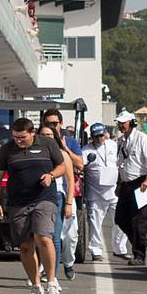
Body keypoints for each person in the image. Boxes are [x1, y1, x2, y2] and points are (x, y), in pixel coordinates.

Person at [0, 117, 67, 294]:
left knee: (44, 237)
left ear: (32, 133)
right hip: (18, 202)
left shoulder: (47, 143)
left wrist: (51, 175)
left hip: (44, 199)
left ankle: (51, 282)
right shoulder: (7, 149)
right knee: (25, 246)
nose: (18, 140)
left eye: (22, 137)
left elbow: (62, 166)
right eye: (15, 137)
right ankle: (36, 284)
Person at [42, 110, 83, 280]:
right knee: (51, 235)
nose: (52, 126)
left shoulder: (70, 142)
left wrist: (65, 148)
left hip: (67, 193)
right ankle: (49, 270)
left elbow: (80, 165)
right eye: (48, 123)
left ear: (60, 124)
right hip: (47, 195)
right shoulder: (40, 143)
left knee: (71, 236)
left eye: (54, 123)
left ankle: (68, 263)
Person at [114, 111, 147, 266]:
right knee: (120, 218)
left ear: (131, 123)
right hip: (125, 184)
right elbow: (120, 164)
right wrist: (119, 184)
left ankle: (139, 255)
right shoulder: (121, 141)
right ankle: (141, 242)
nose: (120, 125)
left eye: (123, 122)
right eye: (119, 123)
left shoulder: (142, 139)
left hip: (140, 182)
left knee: (139, 221)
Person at [82, 124, 128, 261]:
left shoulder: (113, 145)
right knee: (95, 224)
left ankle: (120, 249)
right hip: (96, 193)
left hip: (114, 191)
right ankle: (96, 251)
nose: (99, 138)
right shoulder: (86, 150)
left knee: (121, 220)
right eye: (96, 136)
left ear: (105, 134)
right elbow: (80, 166)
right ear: (92, 137)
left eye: (101, 135)